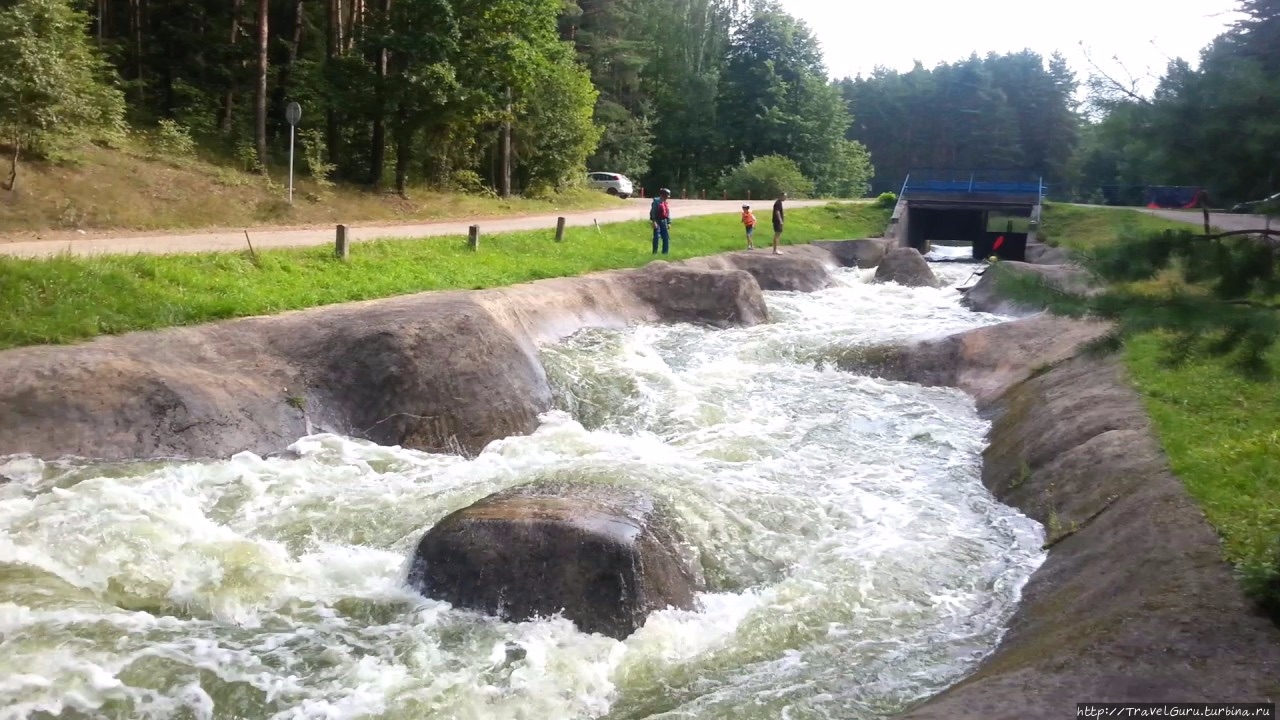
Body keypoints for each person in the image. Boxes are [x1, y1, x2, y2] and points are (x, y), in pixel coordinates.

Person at [650, 188, 672, 255]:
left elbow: (667, 213)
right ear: (663, 195)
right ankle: (655, 252)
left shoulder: (665, 202)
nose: (667, 198)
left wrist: (669, 222)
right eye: (666, 196)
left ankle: (665, 253)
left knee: (666, 238)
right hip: (657, 221)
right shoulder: (656, 202)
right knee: (656, 237)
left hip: (664, 221)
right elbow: (652, 212)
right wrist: (654, 221)